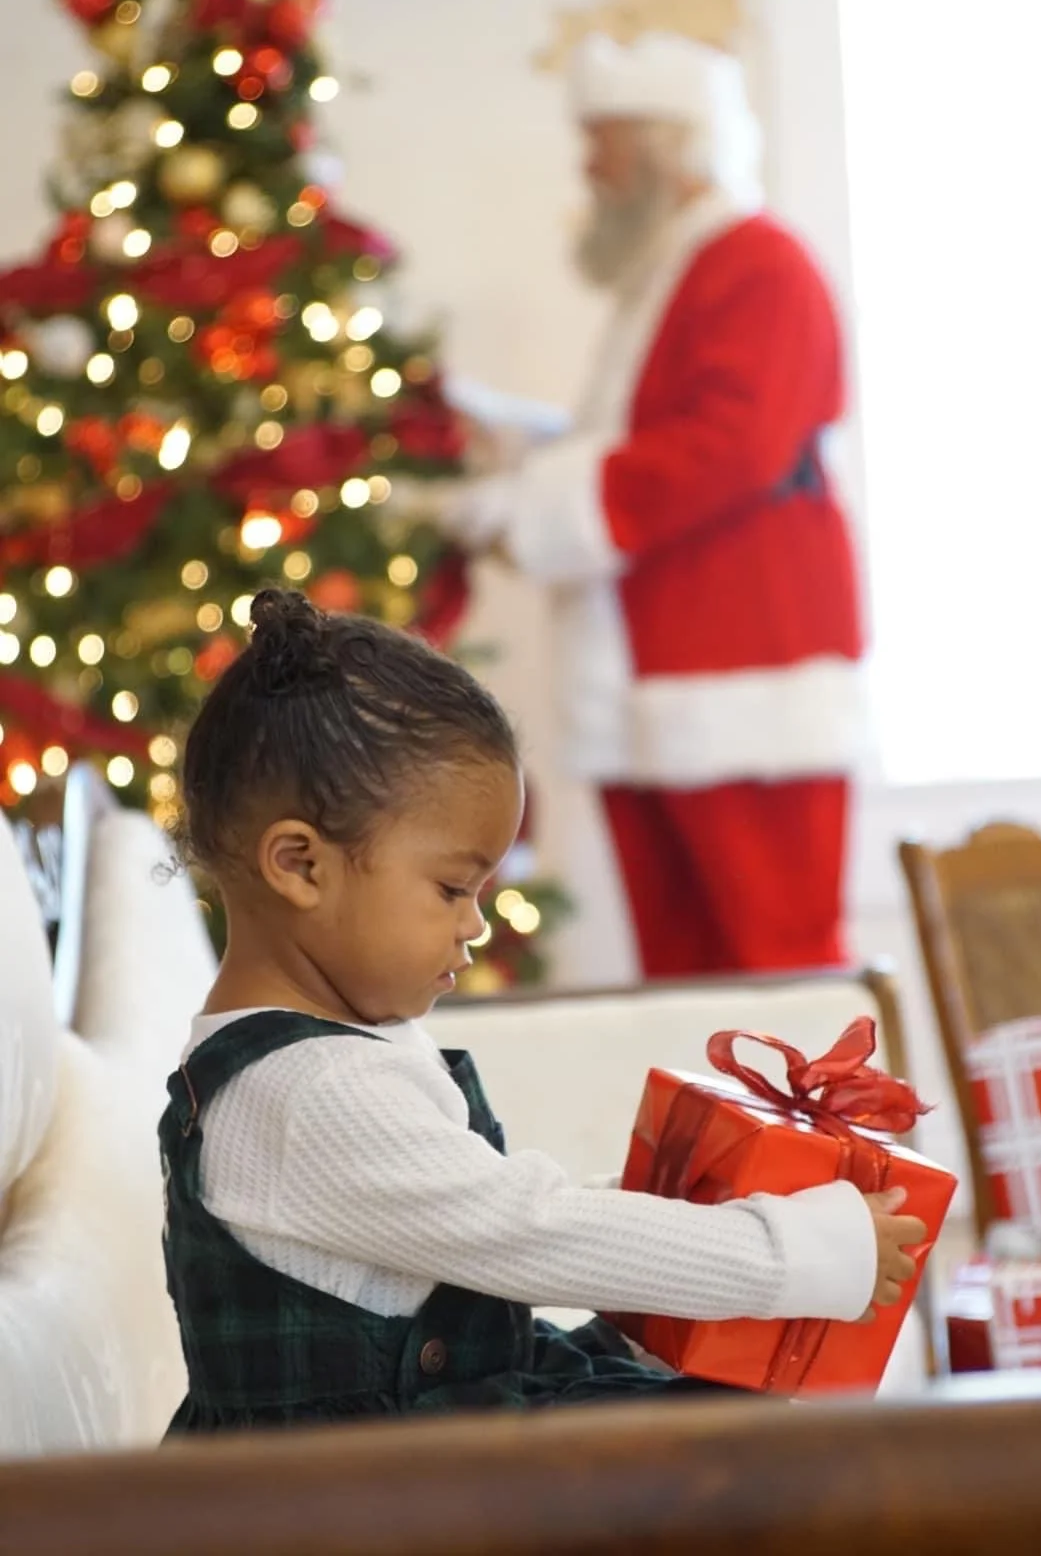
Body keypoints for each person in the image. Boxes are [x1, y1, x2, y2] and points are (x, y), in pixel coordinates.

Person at [158, 588, 922, 1430]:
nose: (475, 924)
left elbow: (493, 1221)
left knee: (723, 1411)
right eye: (452, 889)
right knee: (767, 1446)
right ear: (301, 865)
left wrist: (690, 1215)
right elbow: (530, 1229)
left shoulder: (336, 1052)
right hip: (359, 1488)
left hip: (427, 1437)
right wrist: (794, 1252)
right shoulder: (308, 1093)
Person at [393, 34, 866, 979]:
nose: (588, 169)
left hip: (741, 663)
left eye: (601, 144)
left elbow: (729, 449)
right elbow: (640, 439)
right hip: (658, 669)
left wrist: (518, 510)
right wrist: (513, 448)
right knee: (684, 970)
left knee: (776, 964)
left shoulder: (758, 263)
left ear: (665, 148)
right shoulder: (671, 271)